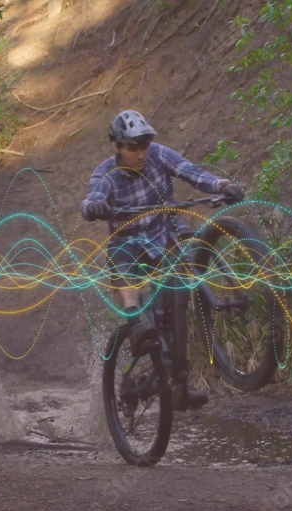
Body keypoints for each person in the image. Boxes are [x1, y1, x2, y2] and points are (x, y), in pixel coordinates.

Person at [79, 109, 244, 410]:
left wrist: (220, 186)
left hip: (163, 234)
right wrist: (94, 207)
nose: (140, 154)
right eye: (132, 148)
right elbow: (92, 197)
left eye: (143, 146)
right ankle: (135, 325)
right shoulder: (106, 173)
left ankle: (180, 385)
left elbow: (189, 171)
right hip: (129, 244)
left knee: (178, 300)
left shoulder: (158, 155)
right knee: (121, 259)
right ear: (117, 146)